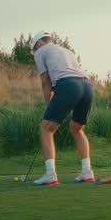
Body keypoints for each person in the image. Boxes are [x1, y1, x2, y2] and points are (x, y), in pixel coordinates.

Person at [30, 31, 95, 186]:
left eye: (34, 49)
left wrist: (49, 105)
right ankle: (87, 172)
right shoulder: (66, 50)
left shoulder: (40, 52)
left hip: (68, 86)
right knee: (77, 129)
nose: (35, 52)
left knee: (46, 129)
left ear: (39, 43)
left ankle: (50, 175)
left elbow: (45, 81)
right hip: (86, 86)